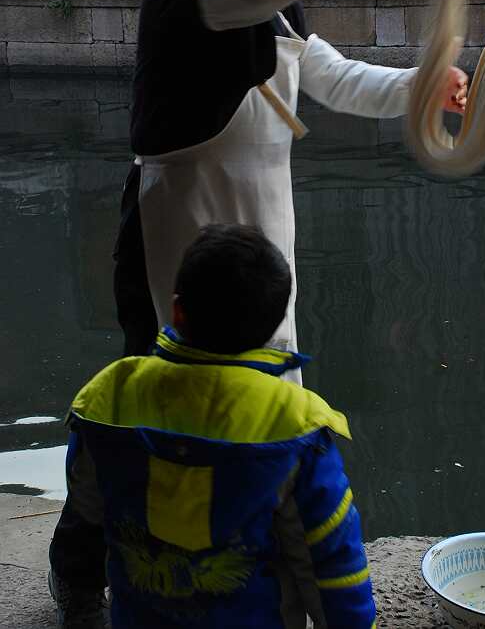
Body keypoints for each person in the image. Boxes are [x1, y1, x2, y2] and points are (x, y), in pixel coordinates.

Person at [114, 0, 468, 372]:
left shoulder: (276, 8)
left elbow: (336, 79)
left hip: (264, 223)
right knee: (194, 373)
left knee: (272, 363)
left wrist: (423, 87)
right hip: (189, 217)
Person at [50, 224, 377, 629]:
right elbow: (333, 563)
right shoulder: (296, 424)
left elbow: (86, 509)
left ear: (178, 310)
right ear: (273, 326)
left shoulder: (108, 396)